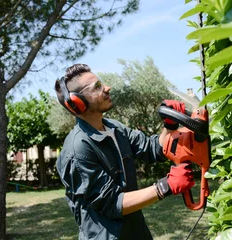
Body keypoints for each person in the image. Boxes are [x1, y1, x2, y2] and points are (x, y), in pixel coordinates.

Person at [54, 64, 195, 240]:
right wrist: (165, 187)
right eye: (97, 87)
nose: (107, 88)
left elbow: (153, 149)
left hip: (137, 232)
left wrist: (170, 125)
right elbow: (112, 203)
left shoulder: (115, 128)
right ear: (77, 103)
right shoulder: (78, 149)